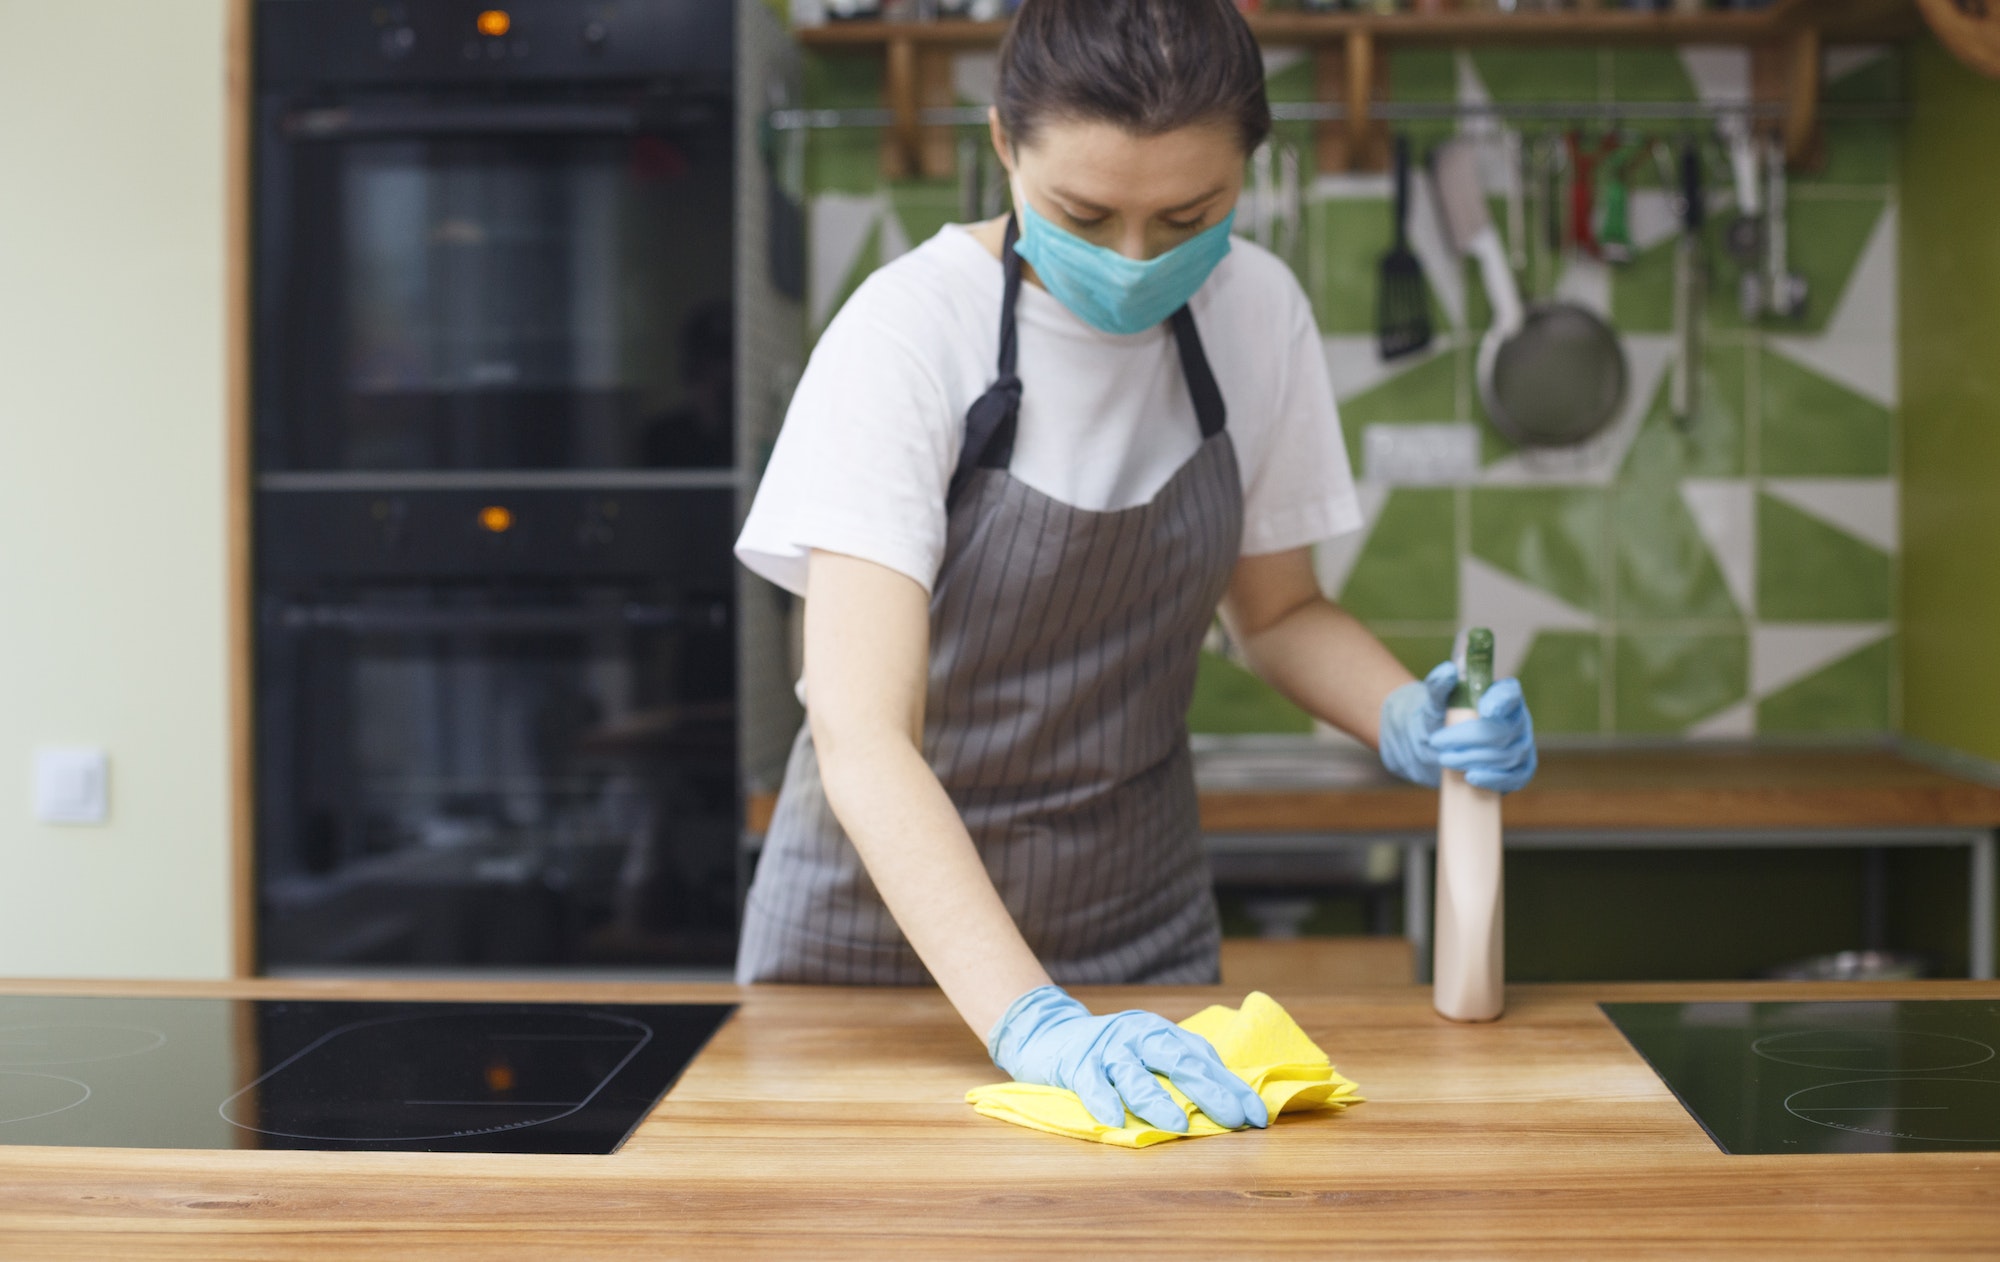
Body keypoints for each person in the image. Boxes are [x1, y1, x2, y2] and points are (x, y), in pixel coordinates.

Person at [733, 0, 1537, 1135]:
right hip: (878, 960)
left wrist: (1407, 713)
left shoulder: (1256, 313)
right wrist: (1036, 1023)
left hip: (1142, 944)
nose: (1131, 259)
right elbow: (864, 732)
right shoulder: (907, 334)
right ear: (1004, 144)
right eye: (1082, 211)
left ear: (1246, 177)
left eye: (1184, 215)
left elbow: (1279, 610)